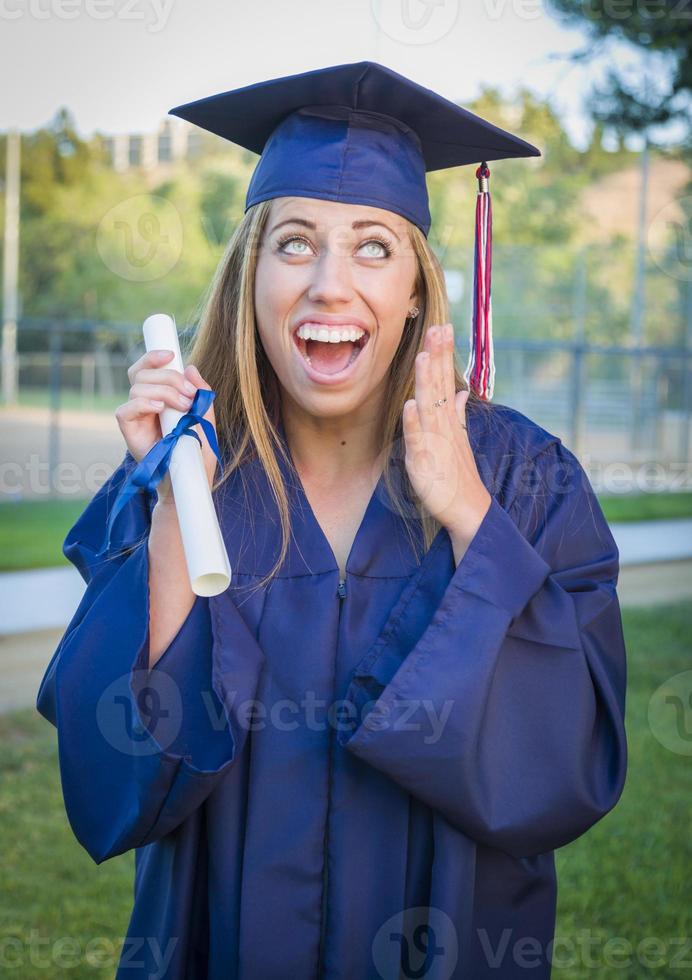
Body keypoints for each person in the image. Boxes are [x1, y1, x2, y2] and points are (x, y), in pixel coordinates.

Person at [36, 62, 628, 979]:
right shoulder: (190, 478)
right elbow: (115, 782)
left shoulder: (522, 478)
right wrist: (166, 507)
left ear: (419, 291)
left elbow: (569, 763)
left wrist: (467, 513)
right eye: (297, 242)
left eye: (374, 247)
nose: (329, 284)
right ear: (251, 276)